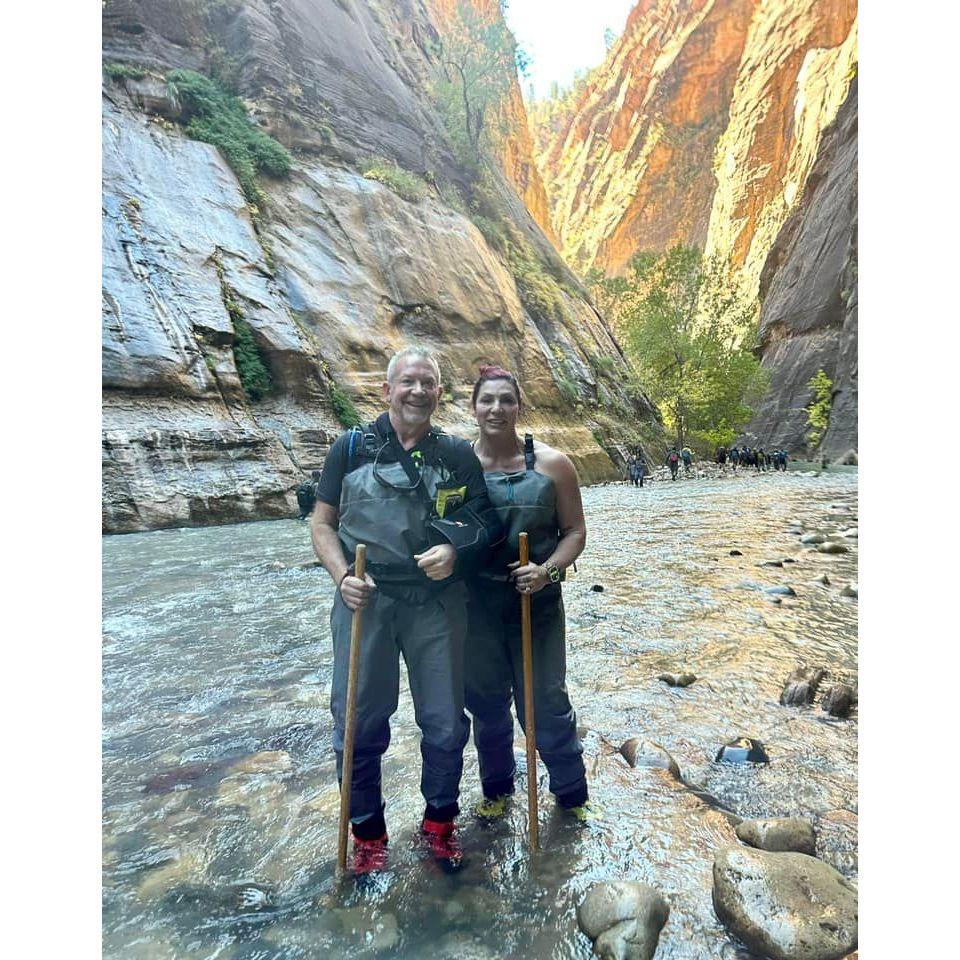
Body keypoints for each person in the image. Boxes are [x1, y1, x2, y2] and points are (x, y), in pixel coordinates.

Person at [310, 346, 503, 873]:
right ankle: (367, 833)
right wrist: (342, 576)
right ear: (387, 390)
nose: (418, 392)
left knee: (443, 723)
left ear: (440, 394)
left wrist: (455, 551)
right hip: (365, 600)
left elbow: (484, 522)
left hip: (437, 604)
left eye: (428, 384)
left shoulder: (458, 454)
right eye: (408, 383)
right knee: (357, 721)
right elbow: (322, 524)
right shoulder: (349, 449)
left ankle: (439, 823)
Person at [464, 366, 592, 822]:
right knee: (486, 705)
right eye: (487, 400)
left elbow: (575, 532)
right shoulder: (456, 465)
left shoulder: (554, 465)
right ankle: (497, 791)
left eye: (506, 400)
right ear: (473, 406)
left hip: (536, 605)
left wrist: (547, 572)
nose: (496, 408)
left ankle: (572, 797)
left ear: (519, 406)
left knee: (546, 702)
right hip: (476, 609)